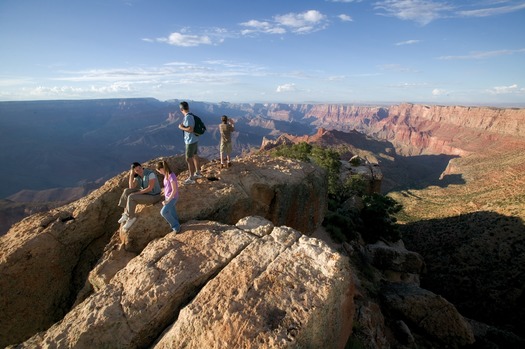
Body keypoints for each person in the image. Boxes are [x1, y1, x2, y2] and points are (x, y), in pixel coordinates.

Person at [118, 162, 162, 231]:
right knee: (126, 191)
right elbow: (131, 187)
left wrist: (137, 193)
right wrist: (131, 174)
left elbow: (150, 188)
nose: (140, 171)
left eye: (140, 168)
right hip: (146, 194)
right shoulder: (137, 176)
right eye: (137, 170)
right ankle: (126, 214)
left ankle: (131, 218)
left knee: (131, 197)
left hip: (154, 196)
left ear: (141, 167)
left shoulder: (150, 174)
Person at [178, 101, 202, 184]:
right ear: (188, 107)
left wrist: (181, 127)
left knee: (188, 159)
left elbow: (190, 129)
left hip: (190, 141)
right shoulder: (191, 115)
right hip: (194, 139)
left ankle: (191, 178)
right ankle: (198, 173)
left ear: (181, 109)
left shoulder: (188, 117)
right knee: (195, 156)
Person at [156, 160, 181, 233]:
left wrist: (168, 200)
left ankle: (176, 227)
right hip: (168, 197)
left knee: (163, 212)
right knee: (173, 213)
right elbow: (167, 187)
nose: (159, 172)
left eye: (159, 171)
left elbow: (174, 190)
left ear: (161, 169)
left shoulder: (171, 176)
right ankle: (178, 225)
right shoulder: (166, 176)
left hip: (172, 198)